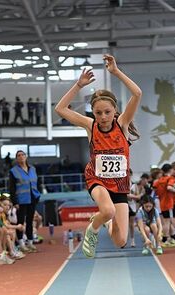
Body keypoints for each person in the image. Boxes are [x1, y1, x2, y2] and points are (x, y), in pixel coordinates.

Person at [55, 54, 142, 258]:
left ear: (115, 111)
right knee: (108, 211)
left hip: (120, 183)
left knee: (120, 241)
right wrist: (78, 85)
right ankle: (92, 230)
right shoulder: (90, 125)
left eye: (107, 112)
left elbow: (137, 93)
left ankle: (105, 218)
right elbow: (60, 109)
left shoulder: (123, 124)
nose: (103, 117)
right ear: (93, 112)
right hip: (98, 179)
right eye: (98, 112)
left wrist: (115, 71)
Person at [8, 150, 41, 252]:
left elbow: (37, 183)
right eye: (18, 155)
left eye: (23, 155)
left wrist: (38, 195)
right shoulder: (13, 171)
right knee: (20, 222)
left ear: (26, 157)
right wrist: (15, 202)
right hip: (21, 200)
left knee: (30, 221)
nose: (21, 157)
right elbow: (11, 188)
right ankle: (22, 244)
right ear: (16, 158)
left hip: (33, 198)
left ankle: (30, 243)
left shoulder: (33, 169)